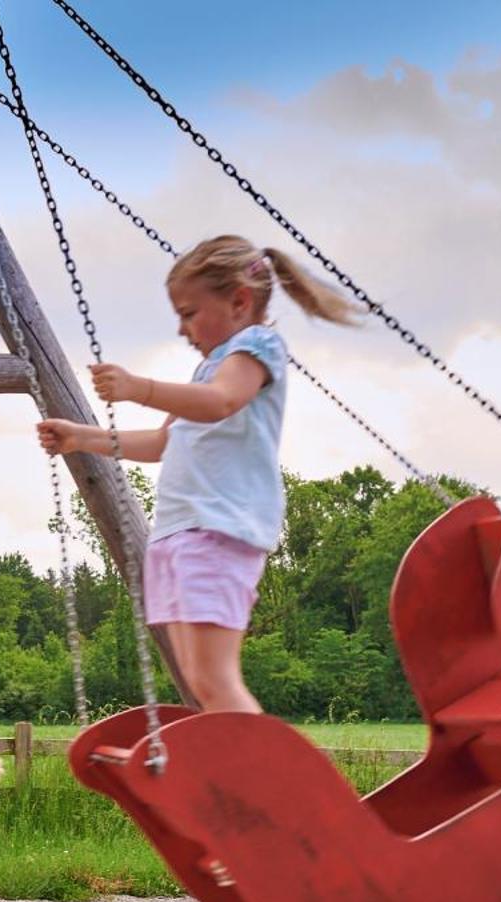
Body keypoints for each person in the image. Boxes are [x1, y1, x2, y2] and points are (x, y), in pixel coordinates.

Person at [35, 234, 358, 713]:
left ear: (239, 301)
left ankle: (267, 783)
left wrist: (137, 387)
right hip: (179, 535)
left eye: (189, 313)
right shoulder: (208, 370)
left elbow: (221, 403)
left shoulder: (257, 345)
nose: (183, 330)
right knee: (200, 683)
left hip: (218, 529)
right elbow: (164, 443)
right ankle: (234, 777)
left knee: (214, 679)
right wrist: (82, 438)